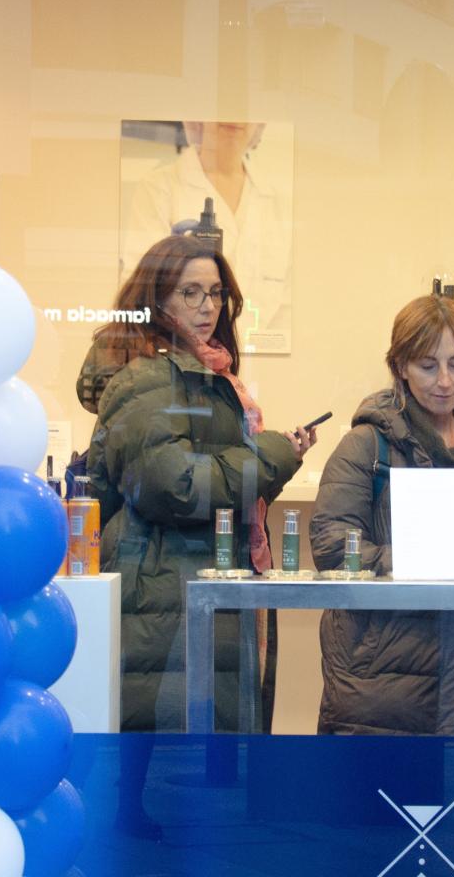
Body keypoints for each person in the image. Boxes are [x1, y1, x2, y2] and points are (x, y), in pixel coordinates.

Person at [81, 235, 317, 733]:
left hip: (196, 579)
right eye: (190, 292)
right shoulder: (147, 377)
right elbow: (175, 486)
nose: (207, 306)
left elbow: (213, 479)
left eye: (215, 293)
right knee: (179, 769)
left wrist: (275, 460)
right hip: (166, 592)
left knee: (210, 766)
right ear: (156, 299)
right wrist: (268, 454)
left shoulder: (203, 373)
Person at [312, 296, 454, 735]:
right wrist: (424, 561)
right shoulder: (366, 446)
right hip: (377, 682)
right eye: (428, 365)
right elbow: (331, 547)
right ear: (400, 365)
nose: (445, 381)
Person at [122, 121, 292, 350]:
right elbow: (141, 292)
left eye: (243, 106)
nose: (234, 119)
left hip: (253, 360)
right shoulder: (160, 188)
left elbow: (284, 306)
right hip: (175, 359)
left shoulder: (277, 200)